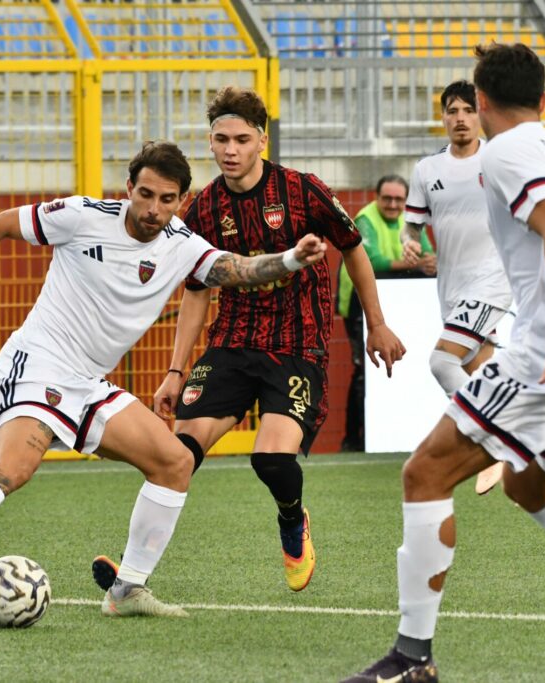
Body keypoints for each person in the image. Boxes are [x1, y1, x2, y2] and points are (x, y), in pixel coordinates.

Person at [0, 140, 329, 618]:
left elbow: (238, 269)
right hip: (38, 365)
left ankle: (127, 590)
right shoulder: (82, 216)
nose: (153, 208)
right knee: (14, 468)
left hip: (88, 384)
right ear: (128, 188)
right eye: (145, 194)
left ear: (181, 200)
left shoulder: (183, 245)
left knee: (175, 463)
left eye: (167, 199)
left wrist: (291, 258)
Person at [344, 43, 545, 682]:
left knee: (425, 473)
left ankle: (412, 658)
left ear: (482, 101)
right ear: (544, 100)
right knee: (527, 485)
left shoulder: (504, 152)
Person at [91, 86, 406, 594]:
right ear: (210, 143)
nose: (231, 150)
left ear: (262, 141)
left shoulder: (303, 190)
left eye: (241, 139)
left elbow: (352, 248)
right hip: (232, 344)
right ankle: (131, 570)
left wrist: (378, 323)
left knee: (271, 460)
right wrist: (175, 371)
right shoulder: (203, 209)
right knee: (177, 455)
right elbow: (196, 291)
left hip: (297, 346)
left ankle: (292, 521)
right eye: (222, 140)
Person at [402, 79, 514, 494]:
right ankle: (521, 449)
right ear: (444, 118)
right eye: (453, 111)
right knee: (478, 370)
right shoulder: (427, 170)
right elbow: (412, 225)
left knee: (441, 362)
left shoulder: (498, 160)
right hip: (451, 286)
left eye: (468, 110)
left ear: (480, 114)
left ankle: (497, 438)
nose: (461, 118)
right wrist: (410, 243)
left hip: (493, 279)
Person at [337, 174, 435, 452]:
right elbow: (372, 261)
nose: (393, 204)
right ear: (376, 198)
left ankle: (389, 435)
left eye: (398, 200)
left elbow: (428, 253)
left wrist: (429, 262)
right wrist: (414, 264)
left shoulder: (411, 221)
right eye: (387, 199)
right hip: (358, 304)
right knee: (362, 370)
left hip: (397, 304)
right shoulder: (365, 219)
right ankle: (353, 441)